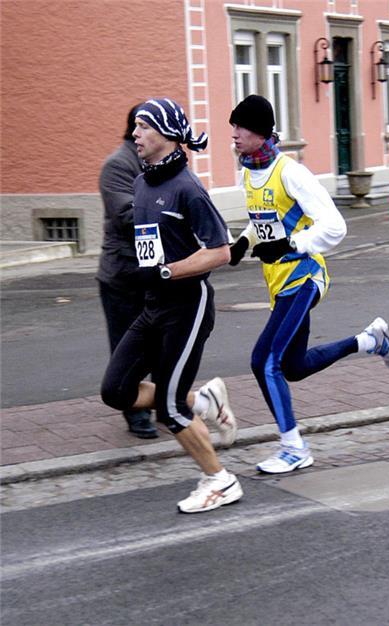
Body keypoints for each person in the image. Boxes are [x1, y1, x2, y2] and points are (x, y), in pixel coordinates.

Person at [227, 95, 389, 475]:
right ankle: (370, 340)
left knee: (264, 361)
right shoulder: (249, 172)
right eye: (233, 127)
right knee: (294, 366)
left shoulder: (292, 173)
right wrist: (243, 243)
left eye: (240, 127)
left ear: (259, 132)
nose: (234, 134)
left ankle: (293, 447)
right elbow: (265, 223)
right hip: (278, 283)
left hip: (304, 278)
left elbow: (335, 226)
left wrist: (292, 244)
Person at [100, 98, 241, 513]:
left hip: (187, 305)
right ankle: (207, 403)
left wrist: (167, 271)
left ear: (164, 134)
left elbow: (221, 252)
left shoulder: (188, 188)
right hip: (152, 304)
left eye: (143, 128)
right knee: (116, 391)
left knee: (170, 408)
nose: (136, 135)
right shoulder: (143, 182)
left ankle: (220, 480)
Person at [97, 104, 156, 438]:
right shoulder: (118, 166)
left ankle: (167, 403)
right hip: (122, 277)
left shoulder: (158, 164)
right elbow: (130, 216)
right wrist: (171, 206)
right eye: (147, 127)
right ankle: (134, 411)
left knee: (162, 344)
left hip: (154, 274)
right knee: (126, 348)